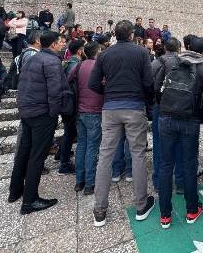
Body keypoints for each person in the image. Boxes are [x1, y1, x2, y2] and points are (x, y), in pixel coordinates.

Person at [89, 20, 154, 227]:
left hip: (110, 108)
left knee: (105, 156)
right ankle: (141, 205)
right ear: (132, 34)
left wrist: (109, 93)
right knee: (138, 154)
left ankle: (100, 209)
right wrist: (144, 99)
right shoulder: (142, 52)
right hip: (134, 106)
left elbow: (93, 83)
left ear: (115, 34)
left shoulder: (104, 54)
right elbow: (149, 83)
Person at [9, 31, 68, 214]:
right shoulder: (51, 61)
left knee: (24, 151)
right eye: (60, 42)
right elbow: (55, 91)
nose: (63, 44)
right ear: (53, 44)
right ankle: (30, 200)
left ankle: (15, 190)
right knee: (37, 155)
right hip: (42, 113)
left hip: (27, 110)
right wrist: (54, 113)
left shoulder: (32, 58)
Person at [157, 36, 203, 229]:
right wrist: (201, 117)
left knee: (165, 165)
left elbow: (157, 87)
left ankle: (165, 215)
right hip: (190, 120)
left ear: (186, 47)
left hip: (166, 117)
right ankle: (192, 209)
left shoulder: (171, 62)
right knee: (189, 164)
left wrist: (164, 107)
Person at [68, 41, 104, 195]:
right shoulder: (99, 67)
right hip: (95, 110)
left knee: (81, 145)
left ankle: (79, 181)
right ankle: (90, 183)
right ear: (97, 52)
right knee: (92, 147)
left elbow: (69, 79)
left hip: (80, 110)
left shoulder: (79, 65)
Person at [151, 37, 184, 192]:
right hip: (180, 107)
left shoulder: (156, 63)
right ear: (178, 49)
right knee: (179, 145)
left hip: (160, 107)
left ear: (165, 48)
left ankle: (159, 183)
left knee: (159, 145)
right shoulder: (184, 63)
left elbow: (149, 85)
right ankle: (180, 182)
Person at [58, 39, 86, 175]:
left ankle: (60, 154)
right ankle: (64, 163)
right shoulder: (76, 65)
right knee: (70, 133)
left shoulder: (67, 63)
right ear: (80, 51)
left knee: (69, 132)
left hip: (67, 103)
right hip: (73, 104)